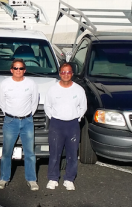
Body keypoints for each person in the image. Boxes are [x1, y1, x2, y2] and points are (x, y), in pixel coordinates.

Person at [0, 58, 39, 191]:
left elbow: (34, 102)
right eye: (15, 68)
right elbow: (2, 102)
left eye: (21, 68)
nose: (18, 71)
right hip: (10, 121)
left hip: (27, 121)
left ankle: (31, 180)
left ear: (24, 70)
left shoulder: (31, 83)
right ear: (11, 70)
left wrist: (27, 115)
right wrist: (10, 115)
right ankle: (4, 178)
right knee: (7, 151)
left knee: (30, 152)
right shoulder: (5, 84)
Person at [44, 62, 87, 191]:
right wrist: (55, 117)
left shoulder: (78, 90)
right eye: (63, 72)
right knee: (55, 152)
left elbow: (83, 107)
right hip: (57, 124)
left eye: (68, 72)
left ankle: (69, 179)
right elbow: (48, 106)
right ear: (59, 74)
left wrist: (76, 117)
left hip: (73, 124)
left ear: (72, 74)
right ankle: (53, 178)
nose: (66, 74)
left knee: (72, 153)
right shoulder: (53, 89)